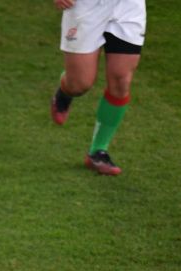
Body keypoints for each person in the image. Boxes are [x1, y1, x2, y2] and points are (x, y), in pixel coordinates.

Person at [48, 0, 147, 176]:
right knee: (79, 84)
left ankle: (98, 151)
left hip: (128, 6)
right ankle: (65, 92)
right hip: (86, 5)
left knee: (121, 79)